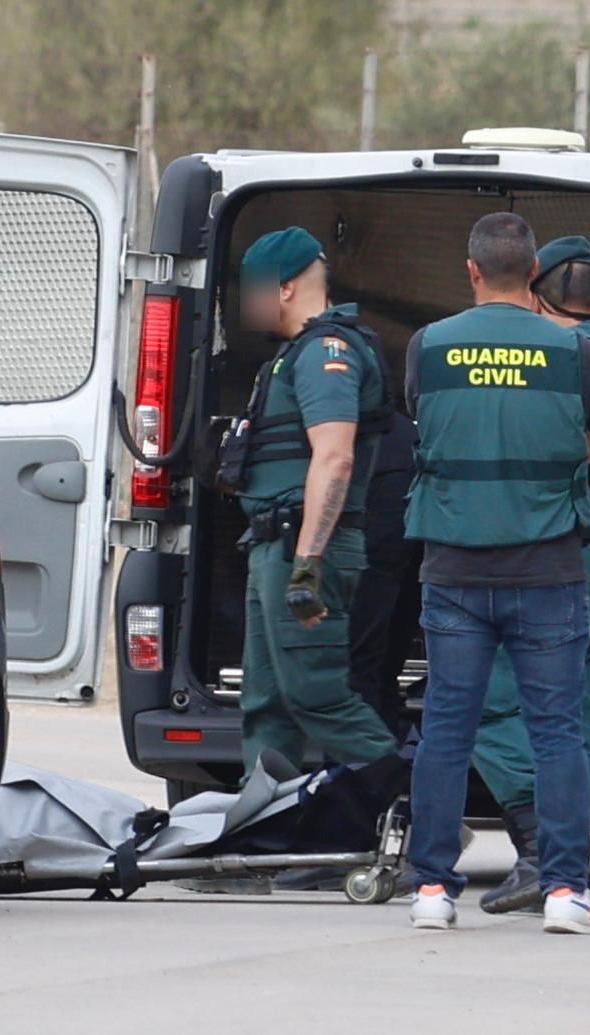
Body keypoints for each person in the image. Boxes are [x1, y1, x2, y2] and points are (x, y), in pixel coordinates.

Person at [403, 213, 590, 935]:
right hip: (547, 569)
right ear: (533, 276)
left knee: (445, 730)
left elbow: (423, 424)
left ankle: (431, 888)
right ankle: (564, 892)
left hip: (453, 569)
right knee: (556, 730)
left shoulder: (426, 347)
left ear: (469, 270)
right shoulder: (573, 350)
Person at [471, 236, 590, 913]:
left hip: (542, 556)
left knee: (494, 702)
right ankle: (566, 863)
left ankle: (534, 846)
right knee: (581, 711)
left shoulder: (546, 361)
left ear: (536, 290)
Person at [234, 226, 399, 776]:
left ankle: (416, 820)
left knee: (318, 699)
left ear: (282, 288)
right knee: (266, 708)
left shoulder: (328, 351)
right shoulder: (290, 357)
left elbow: (335, 458)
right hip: (273, 546)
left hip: (304, 551)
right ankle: (269, 837)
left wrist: (307, 564)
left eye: (251, 289)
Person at [348, 407, 422, 739]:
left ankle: (360, 777)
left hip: (376, 501)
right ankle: (375, 773)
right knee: (380, 664)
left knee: (359, 665)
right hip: (403, 484)